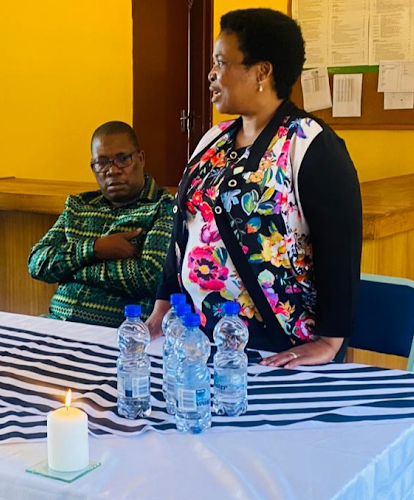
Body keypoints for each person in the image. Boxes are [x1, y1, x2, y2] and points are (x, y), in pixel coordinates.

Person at [146, 9, 362, 369]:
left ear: (262, 71)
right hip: (196, 337)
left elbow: (340, 248)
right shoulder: (213, 140)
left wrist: (330, 341)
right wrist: (163, 304)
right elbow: (183, 228)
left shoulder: (309, 145)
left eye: (221, 62)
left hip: (273, 346)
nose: (211, 74)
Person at [28, 121, 174, 328]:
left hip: (121, 334)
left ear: (140, 159)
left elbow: (150, 276)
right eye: (102, 163)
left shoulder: (163, 207)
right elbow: (37, 263)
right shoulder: (78, 206)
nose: (112, 171)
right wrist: (95, 249)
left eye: (123, 159)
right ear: (93, 167)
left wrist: (74, 270)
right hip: (57, 324)